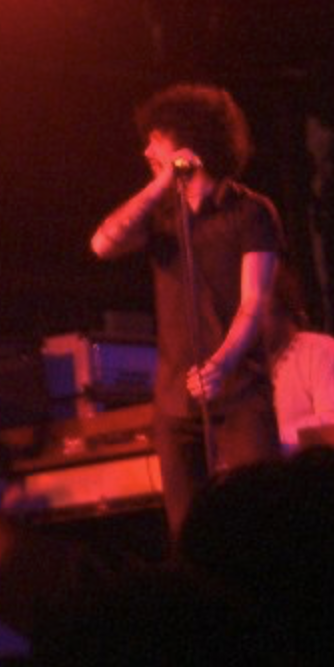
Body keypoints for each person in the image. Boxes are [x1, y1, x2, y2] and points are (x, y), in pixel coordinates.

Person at [91, 83, 284, 538]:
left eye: (156, 140)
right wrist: (162, 183)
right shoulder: (160, 217)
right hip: (175, 403)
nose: (146, 151)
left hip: (240, 394)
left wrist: (222, 362)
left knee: (266, 520)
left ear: (189, 141)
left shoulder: (251, 212)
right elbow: (102, 244)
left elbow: (254, 302)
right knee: (188, 531)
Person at [262, 265, 334, 452]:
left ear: (283, 307)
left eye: (257, 311)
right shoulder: (243, 371)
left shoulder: (320, 351)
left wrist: (267, 443)